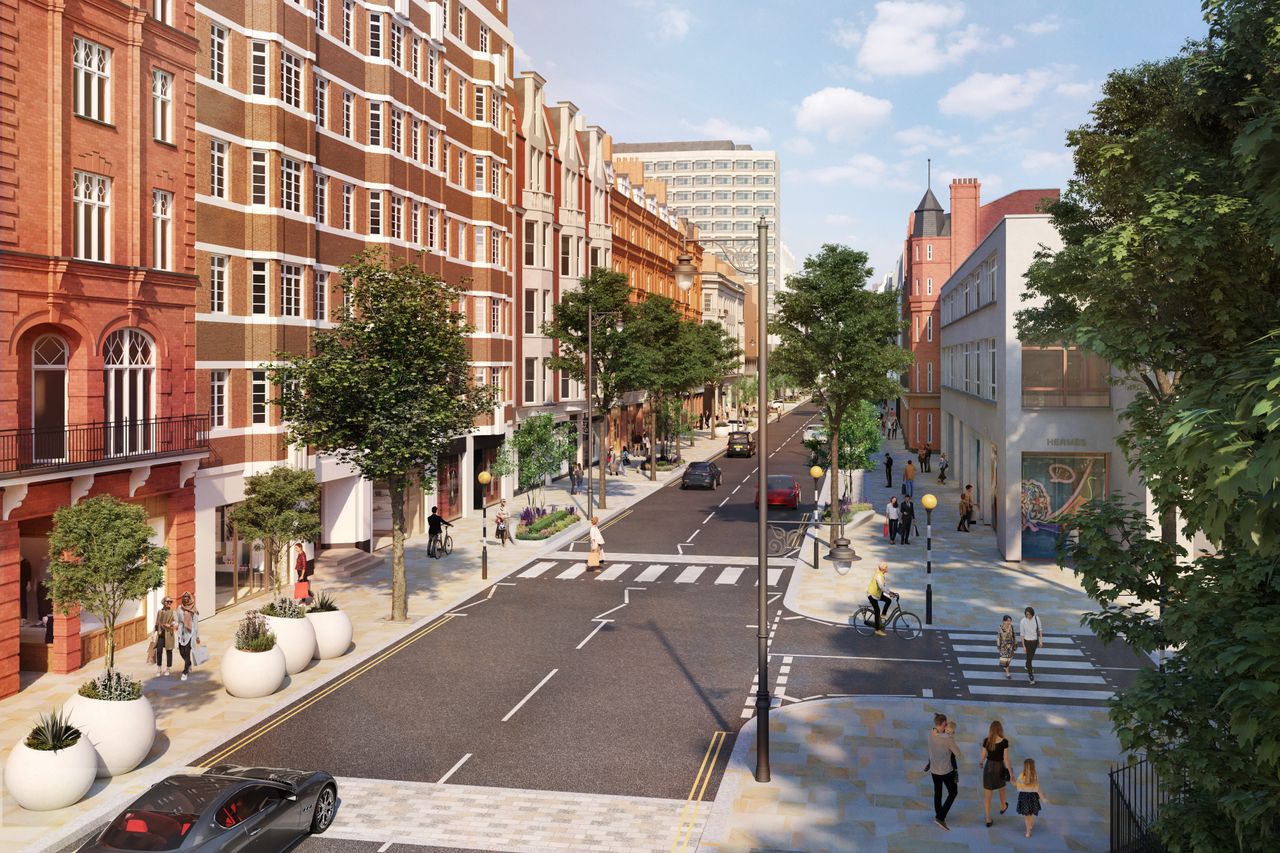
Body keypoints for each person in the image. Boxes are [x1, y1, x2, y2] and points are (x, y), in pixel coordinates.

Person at [927, 713, 963, 831]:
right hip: (946, 771)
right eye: (945, 724)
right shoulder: (948, 740)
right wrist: (951, 736)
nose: (947, 725)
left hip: (933, 769)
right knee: (953, 792)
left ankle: (938, 814)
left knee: (938, 792)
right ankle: (941, 817)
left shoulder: (931, 734)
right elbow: (958, 753)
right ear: (942, 724)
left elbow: (938, 735)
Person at [980, 720, 1013, 826]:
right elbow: (1006, 759)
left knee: (987, 796)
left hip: (988, 768)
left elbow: (983, 755)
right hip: (999, 767)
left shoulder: (986, 741)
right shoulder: (1004, 742)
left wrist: (981, 762)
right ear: (1000, 729)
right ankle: (1003, 806)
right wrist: (1011, 773)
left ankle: (988, 819)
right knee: (1002, 788)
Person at [1016, 758, 1045, 837]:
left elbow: (1018, 787)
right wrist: (1042, 798)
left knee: (1026, 815)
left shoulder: (1021, 776)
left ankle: (1028, 832)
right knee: (1031, 813)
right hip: (1033, 797)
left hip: (1024, 797)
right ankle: (1030, 825)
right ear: (1033, 767)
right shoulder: (1035, 776)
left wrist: (1013, 782)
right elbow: (1037, 788)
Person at [865, 562, 895, 637]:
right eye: (887, 567)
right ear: (884, 569)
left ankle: (883, 615)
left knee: (888, 600)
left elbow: (884, 586)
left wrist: (891, 592)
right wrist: (889, 593)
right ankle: (877, 630)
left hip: (877, 594)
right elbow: (882, 587)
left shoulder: (881, 575)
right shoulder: (878, 575)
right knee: (877, 610)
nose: (888, 568)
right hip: (872, 595)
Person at [176, 591, 200, 681]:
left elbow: (196, 624)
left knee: (187, 652)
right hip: (181, 633)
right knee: (181, 652)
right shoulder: (179, 608)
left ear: (190, 598)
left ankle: (185, 672)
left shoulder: (194, 609)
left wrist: (197, 636)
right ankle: (189, 663)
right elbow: (178, 620)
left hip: (190, 633)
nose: (186, 598)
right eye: (184, 597)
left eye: (187, 597)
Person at [1020, 606, 1043, 684]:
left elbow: (1040, 630)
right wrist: (1023, 646)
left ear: (1032, 614)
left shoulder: (1036, 618)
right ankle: (1031, 676)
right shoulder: (1023, 621)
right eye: (1027, 614)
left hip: (1035, 642)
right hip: (1027, 642)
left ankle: (1027, 665)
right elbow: (1022, 634)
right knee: (1029, 659)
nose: (1028, 616)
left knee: (1030, 656)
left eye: (1029, 614)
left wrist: (1041, 641)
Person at [154, 596, 176, 676]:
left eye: (171, 601)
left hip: (168, 634)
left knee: (169, 651)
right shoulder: (160, 611)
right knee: (159, 651)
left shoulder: (173, 612)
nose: (169, 603)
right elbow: (157, 622)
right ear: (164, 602)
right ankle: (159, 668)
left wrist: (170, 625)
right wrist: (155, 632)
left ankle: (168, 668)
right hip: (160, 634)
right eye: (168, 601)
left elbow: (176, 622)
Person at [997, 615, 1017, 679]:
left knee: (1009, 659)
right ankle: (1007, 673)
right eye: (1007, 621)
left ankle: (1005, 666)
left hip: (1011, 646)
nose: (1009, 622)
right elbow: (998, 638)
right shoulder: (1000, 628)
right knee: (1005, 659)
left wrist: (1015, 644)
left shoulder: (1012, 627)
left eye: (1010, 621)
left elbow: (1014, 636)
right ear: (1004, 621)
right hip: (1004, 647)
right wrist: (998, 646)